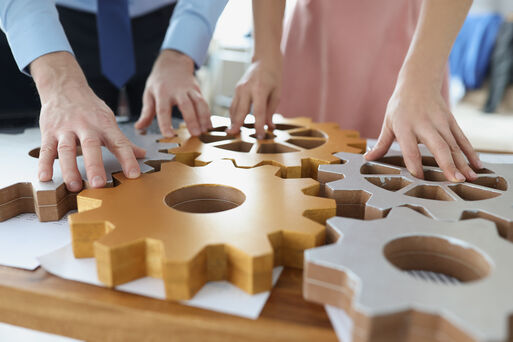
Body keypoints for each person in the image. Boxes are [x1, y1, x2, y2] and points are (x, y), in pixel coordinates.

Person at [229, 0, 483, 183]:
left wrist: (421, 79)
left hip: (408, 42)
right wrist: (264, 55)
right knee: (293, 183)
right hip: (313, 36)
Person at [0, 0, 227, 192]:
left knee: (178, 157)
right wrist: (57, 78)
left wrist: (181, 52)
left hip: (171, 20)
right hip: (53, 23)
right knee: (72, 154)